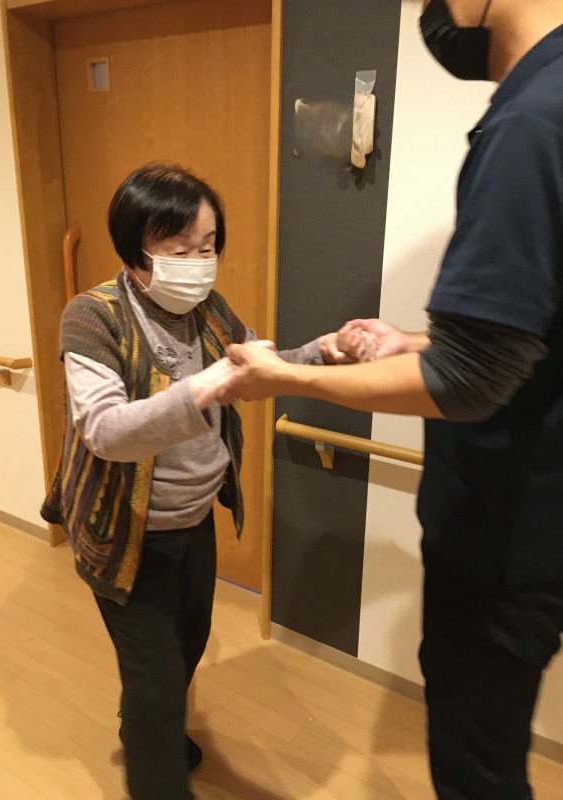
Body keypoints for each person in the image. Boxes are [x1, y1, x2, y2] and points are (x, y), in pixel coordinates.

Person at [221, 2, 563, 798]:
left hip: (508, 535)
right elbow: (529, 334)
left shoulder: (531, 123)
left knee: (477, 768)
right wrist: (414, 341)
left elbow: (470, 381)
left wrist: (285, 380)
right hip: (538, 520)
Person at [40, 163, 368, 800]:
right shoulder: (92, 317)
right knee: (158, 681)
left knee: (186, 647)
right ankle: (154, 758)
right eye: (178, 248)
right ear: (135, 251)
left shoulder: (208, 309)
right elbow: (104, 430)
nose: (198, 262)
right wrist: (205, 386)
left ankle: (147, 726)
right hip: (126, 533)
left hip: (193, 522)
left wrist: (323, 350)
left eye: (208, 246)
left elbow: (256, 367)